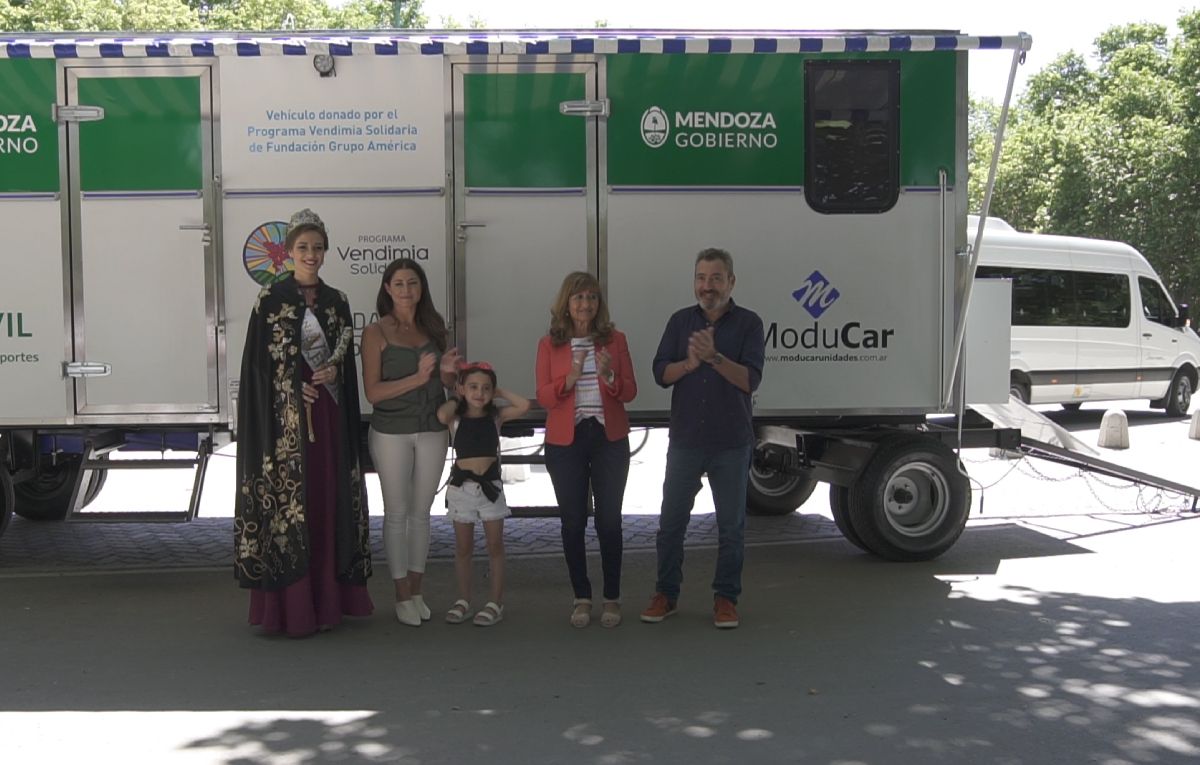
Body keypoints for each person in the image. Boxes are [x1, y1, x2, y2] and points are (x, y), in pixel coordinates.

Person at [234, 208, 373, 637]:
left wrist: (334, 373)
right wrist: (293, 388)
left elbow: (344, 366)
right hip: (285, 426)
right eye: (302, 248)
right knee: (293, 503)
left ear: (326, 251)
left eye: (317, 247)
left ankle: (327, 602)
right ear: (289, 253)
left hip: (328, 417)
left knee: (327, 497)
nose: (310, 254)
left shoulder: (337, 302)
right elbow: (258, 369)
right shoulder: (270, 300)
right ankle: (290, 607)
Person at [640, 248, 765, 630]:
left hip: (731, 441)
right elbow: (661, 372)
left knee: (731, 528)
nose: (706, 286)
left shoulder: (749, 324)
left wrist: (712, 358)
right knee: (672, 524)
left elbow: (749, 381)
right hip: (686, 440)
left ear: (731, 282)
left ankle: (726, 599)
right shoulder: (680, 322)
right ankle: (666, 594)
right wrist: (689, 364)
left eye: (715, 278)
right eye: (700, 278)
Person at [361, 259, 460, 627]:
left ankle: (417, 590)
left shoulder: (434, 328)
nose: (406, 290)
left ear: (422, 288)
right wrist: (417, 379)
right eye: (399, 283)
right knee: (397, 512)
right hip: (391, 431)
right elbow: (373, 393)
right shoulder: (375, 333)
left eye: (413, 283)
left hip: (432, 428)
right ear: (388, 288)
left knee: (422, 512)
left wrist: (449, 376)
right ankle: (401, 593)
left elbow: (446, 384)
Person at [536, 272, 637, 628]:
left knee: (609, 521)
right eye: (578, 298)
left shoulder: (616, 340)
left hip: (609, 439)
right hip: (567, 442)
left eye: (592, 298)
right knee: (573, 521)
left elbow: (630, 392)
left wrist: (610, 377)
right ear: (566, 303)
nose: (585, 305)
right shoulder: (550, 344)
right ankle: (581, 597)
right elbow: (545, 397)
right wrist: (571, 378)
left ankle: (612, 598)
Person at [436, 363, 530, 627]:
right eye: (474, 387)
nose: (480, 393)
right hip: (461, 489)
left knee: (495, 545)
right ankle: (464, 599)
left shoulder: (495, 416)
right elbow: (443, 415)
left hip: (490, 488)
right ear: (463, 389)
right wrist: (457, 395)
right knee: (463, 547)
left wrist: (499, 391)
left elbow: (523, 406)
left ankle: (495, 602)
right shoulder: (456, 418)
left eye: (486, 388)